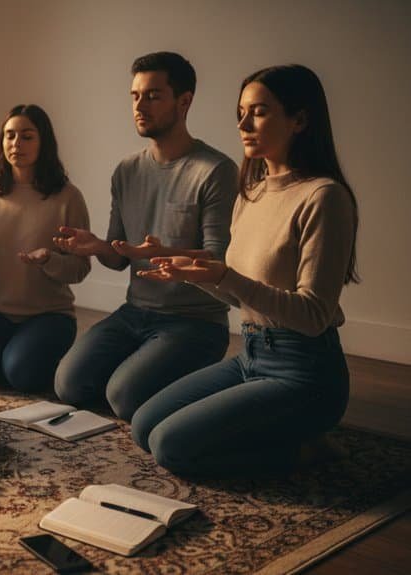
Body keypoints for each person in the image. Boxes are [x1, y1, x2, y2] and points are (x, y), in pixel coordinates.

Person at [130, 64, 359, 476]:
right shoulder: (250, 192)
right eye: (240, 111)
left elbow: (313, 316)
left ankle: (307, 450)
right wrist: (195, 274)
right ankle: (274, 430)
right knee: (143, 426)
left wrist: (221, 275)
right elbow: (240, 293)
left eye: (259, 111)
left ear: (300, 120)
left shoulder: (324, 197)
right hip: (251, 354)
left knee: (170, 446)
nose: (243, 123)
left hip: (305, 372)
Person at [53, 52, 237, 420]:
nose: (140, 105)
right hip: (134, 313)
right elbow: (120, 258)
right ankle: (150, 369)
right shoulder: (127, 171)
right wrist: (97, 247)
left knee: (123, 397)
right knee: (68, 385)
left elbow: (217, 263)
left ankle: (196, 377)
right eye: (135, 96)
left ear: (184, 102)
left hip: (194, 321)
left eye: (153, 95)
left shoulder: (216, 170)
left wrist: (165, 254)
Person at [0, 104, 91, 392]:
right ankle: (12, 352)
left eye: (27, 136)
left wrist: (49, 259)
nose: (16, 144)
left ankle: (25, 354)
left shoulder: (68, 197)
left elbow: (80, 269)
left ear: (43, 142)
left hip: (50, 314)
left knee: (22, 375)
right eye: (9, 135)